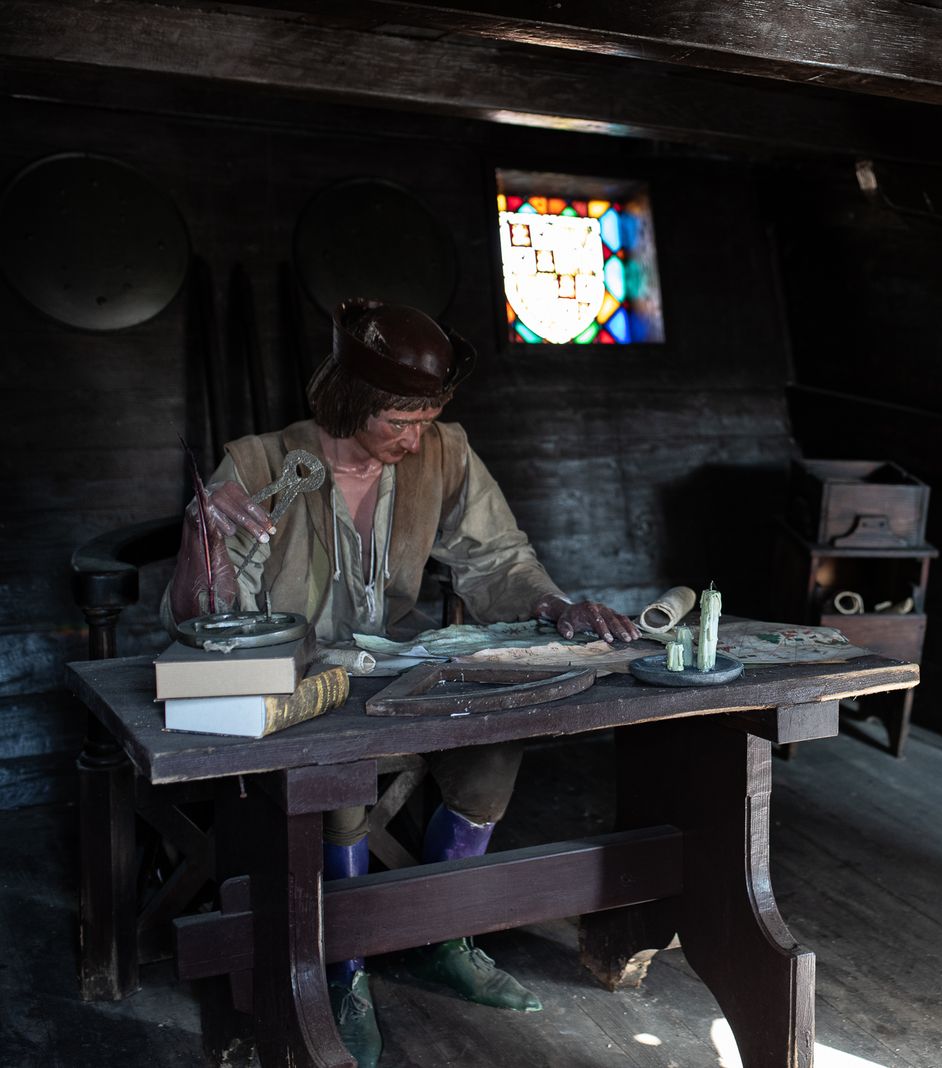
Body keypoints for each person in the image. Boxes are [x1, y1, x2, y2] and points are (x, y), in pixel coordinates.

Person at [167, 297, 641, 1068]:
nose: (414, 439)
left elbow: (497, 559)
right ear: (349, 397)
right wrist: (201, 538)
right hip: (300, 678)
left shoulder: (443, 452)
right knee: (338, 766)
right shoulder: (258, 466)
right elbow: (204, 620)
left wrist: (554, 606)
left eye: (426, 419)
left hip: (395, 660)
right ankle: (341, 968)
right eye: (398, 421)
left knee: (497, 731)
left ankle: (440, 937)